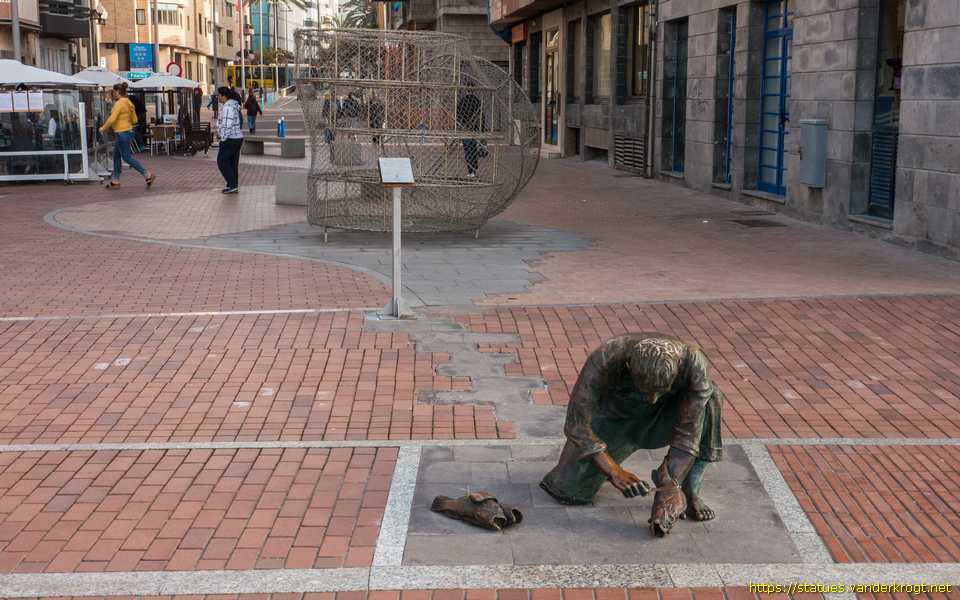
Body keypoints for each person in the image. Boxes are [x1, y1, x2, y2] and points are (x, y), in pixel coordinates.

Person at [539, 333, 724, 537]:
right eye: (646, 391)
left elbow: (689, 433)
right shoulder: (606, 357)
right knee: (569, 491)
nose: (652, 399)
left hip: (665, 418)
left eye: (660, 392)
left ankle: (688, 489)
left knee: (711, 398)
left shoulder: (693, 362)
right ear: (628, 367)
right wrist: (614, 471)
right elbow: (576, 424)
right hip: (616, 420)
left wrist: (670, 485)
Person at [98, 81, 156, 189]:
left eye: (114, 92)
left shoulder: (119, 103)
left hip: (121, 133)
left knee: (127, 157)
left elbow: (112, 119)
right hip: (127, 131)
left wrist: (103, 128)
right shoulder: (128, 102)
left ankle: (147, 174)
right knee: (116, 157)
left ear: (118, 92)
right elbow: (134, 119)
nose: (113, 94)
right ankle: (115, 181)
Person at [215, 86, 244, 194]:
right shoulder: (233, 105)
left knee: (221, 161)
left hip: (230, 138)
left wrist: (222, 137)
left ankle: (232, 184)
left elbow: (227, 124)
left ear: (223, 96)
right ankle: (233, 185)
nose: (217, 97)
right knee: (232, 163)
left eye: (218, 95)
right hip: (237, 138)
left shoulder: (228, 107)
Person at [456, 89, 483, 178]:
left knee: (467, 150)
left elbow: (458, 115)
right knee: (473, 149)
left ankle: (470, 170)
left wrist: (460, 125)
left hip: (465, 129)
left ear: (466, 90)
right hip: (474, 129)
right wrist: (481, 129)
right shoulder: (477, 101)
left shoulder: (462, 101)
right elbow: (481, 115)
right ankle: (474, 169)